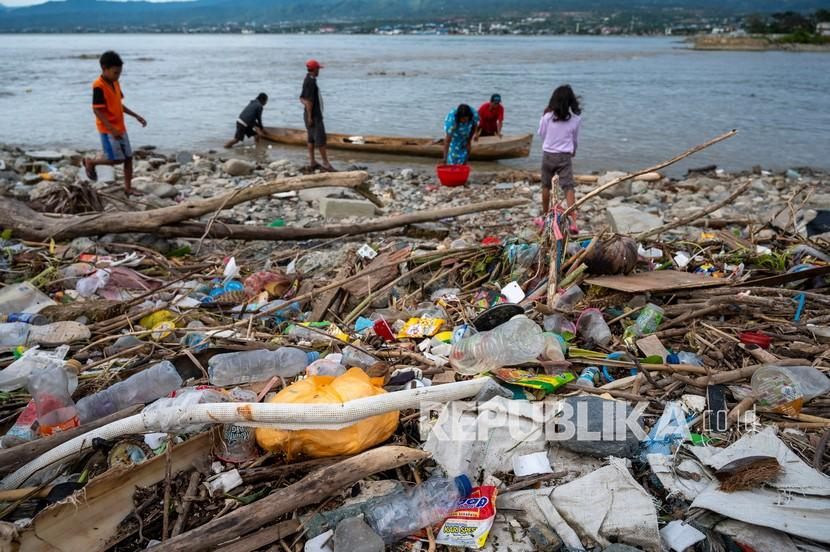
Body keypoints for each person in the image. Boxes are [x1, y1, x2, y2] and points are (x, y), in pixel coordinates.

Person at [82, 51, 147, 195]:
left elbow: (118, 104)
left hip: (120, 127)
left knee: (128, 157)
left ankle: (128, 188)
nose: (118, 76)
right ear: (104, 69)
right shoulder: (98, 86)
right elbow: (97, 110)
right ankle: (91, 162)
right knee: (116, 160)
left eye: (119, 73)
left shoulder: (115, 82)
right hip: (108, 129)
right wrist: (111, 129)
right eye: (115, 72)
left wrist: (136, 116)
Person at [538, 84, 582, 231]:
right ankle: (573, 221)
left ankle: (545, 218)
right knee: (568, 187)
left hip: (548, 155)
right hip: (564, 156)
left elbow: (541, 134)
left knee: (545, 186)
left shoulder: (547, 117)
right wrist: (573, 150)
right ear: (571, 102)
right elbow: (574, 140)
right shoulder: (575, 120)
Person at [300, 59, 335, 172]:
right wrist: (310, 116)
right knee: (320, 139)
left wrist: (307, 111)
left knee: (311, 139)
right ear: (314, 69)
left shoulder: (306, 79)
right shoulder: (311, 82)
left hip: (308, 115)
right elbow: (309, 101)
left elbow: (301, 98)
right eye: (318, 69)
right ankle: (325, 163)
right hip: (314, 116)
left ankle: (312, 161)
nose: (319, 71)